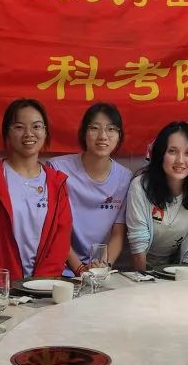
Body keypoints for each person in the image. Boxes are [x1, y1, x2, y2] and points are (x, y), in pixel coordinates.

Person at [0, 99, 73, 289]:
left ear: (45, 132)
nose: (29, 133)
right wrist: (2, 283)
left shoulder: (57, 182)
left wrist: (39, 285)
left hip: (43, 290)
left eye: (36, 126)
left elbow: (61, 240)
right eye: (19, 127)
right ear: (7, 132)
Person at [48, 103, 132, 275]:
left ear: (119, 135)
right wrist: (79, 269)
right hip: (61, 268)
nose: (103, 136)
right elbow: (54, 229)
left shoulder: (125, 178)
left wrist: (103, 267)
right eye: (94, 128)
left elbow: (118, 233)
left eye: (111, 129)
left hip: (100, 269)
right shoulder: (57, 169)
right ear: (83, 133)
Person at [126, 122, 188, 269]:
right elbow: (138, 244)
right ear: (161, 154)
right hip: (137, 269)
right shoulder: (140, 186)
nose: (180, 160)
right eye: (172, 151)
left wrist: (186, 278)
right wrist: (144, 279)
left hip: (175, 269)